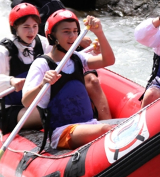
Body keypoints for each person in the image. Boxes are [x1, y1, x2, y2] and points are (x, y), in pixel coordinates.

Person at [12, 0, 111, 120]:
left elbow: (64, 23)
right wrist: (74, 42)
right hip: (46, 60)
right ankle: (106, 126)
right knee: (92, 81)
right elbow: (35, 36)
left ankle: (107, 124)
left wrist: (77, 38)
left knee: (92, 80)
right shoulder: (23, 2)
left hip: (65, 52)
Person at [22, 10, 116, 151]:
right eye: (66, 31)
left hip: (89, 124)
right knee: (106, 130)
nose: (72, 36)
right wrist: (43, 84)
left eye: (75, 31)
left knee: (119, 128)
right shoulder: (42, 64)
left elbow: (108, 60)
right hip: (62, 132)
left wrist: (99, 33)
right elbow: (26, 101)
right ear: (53, 36)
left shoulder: (78, 58)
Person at [0, 3, 48, 134]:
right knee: (48, 112)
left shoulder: (43, 43)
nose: (31, 32)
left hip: (37, 103)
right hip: (12, 111)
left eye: (35, 26)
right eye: (26, 27)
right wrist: (10, 81)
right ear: (15, 28)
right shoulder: (5, 51)